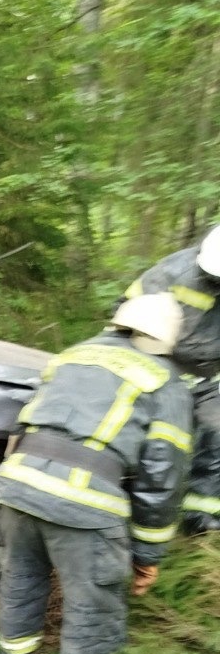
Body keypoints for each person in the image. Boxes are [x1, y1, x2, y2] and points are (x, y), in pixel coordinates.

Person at [0, 292, 192, 654]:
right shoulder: (164, 382)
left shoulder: (73, 354)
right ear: (169, 338)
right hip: (83, 502)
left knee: (21, 581)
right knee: (94, 609)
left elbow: (23, 420)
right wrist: (147, 554)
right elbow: (162, 476)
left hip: (17, 484)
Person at [122, 225, 220, 531]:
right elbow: (129, 312)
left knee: (216, 433)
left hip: (209, 374)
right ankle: (127, 503)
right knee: (149, 433)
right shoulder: (173, 271)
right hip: (157, 362)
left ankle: (200, 520)